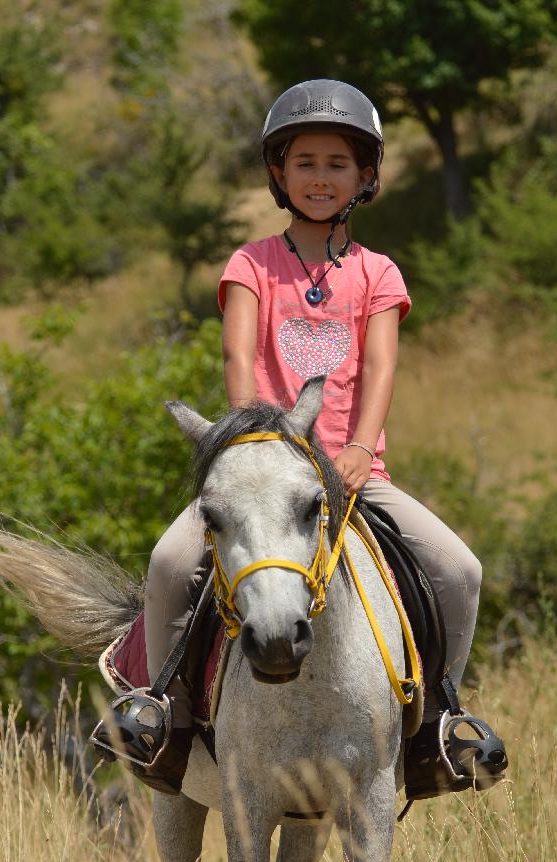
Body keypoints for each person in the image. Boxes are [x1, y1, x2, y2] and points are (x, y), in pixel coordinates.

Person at [131, 79, 490, 797]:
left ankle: (437, 725)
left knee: (460, 569)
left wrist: (358, 449)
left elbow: (381, 365)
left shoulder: (377, 273)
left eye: (337, 163)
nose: (321, 177)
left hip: (358, 475)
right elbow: (239, 359)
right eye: (305, 163)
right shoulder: (250, 265)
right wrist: (252, 452)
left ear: (365, 177)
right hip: (263, 476)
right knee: (171, 561)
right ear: (278, 174)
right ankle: (163, 710)